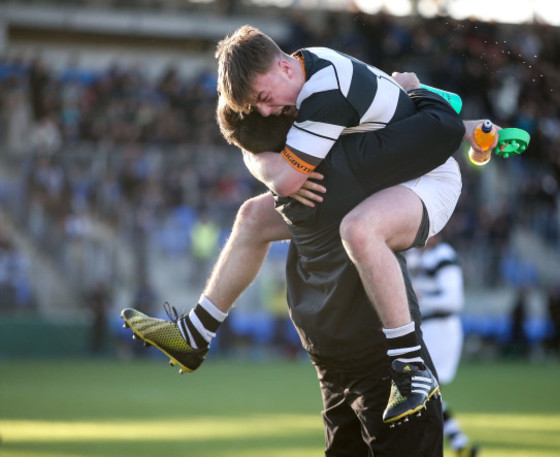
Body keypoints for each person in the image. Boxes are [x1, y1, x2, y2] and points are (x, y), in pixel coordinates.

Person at [122, 38, 494, 420]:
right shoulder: (306, 71)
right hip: (386, 168)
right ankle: (195, 334)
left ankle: (411, 368)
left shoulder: (323, 91)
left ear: (284, 67)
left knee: (359, 230)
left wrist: (246, 148)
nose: (266, 112)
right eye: (256, 107)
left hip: (427, 177)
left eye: (264, 97)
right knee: (252, 218)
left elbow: (283, 180)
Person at [408, 237, 479, 457]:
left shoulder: (444, 255)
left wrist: (419, 298)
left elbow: (454, 300)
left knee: (420, 390)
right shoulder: (415, 255)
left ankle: (433, 446)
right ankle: (459, 443)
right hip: (425, 328)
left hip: (440, 328)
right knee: (423, 392)